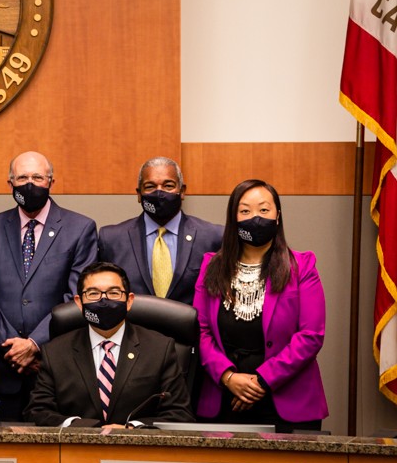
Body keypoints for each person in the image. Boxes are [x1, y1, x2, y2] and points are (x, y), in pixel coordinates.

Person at [0, 151, 98, 421]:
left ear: (51, 181)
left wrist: (35, 343)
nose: (30, 184)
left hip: (55, 363)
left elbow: (76, 296)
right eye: (22, 177)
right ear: (10, 184)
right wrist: (15, 349)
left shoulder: (80, 228)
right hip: (2, 366)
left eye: (37, 177)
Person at [193, 179, 328, 432]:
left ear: (278, 217)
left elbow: (311, 336)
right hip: (223, 400)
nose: (255, 218)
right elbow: (200, 331)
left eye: (264, 210)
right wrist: (229, 377)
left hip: (288, 402)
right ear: (233, 220)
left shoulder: (303, 266)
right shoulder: (211, 266)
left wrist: (262, 380)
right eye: (245, 211)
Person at [25, 261, 193, 427]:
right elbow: (37, 411)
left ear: (129, 301)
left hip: (138, 451)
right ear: (78, 302)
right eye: (93, 294)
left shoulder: (159, 348)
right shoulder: (55, 352)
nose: (103, 300)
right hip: (76, 451)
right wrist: (81, 427)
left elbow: (179, 414)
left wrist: (132, 429)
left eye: (113, 293)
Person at [99, 157, 222, 304]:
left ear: (182, 191)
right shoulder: (112, 239)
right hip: (134, 325)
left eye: (168, 186)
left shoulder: (212, 237)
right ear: (139, 194)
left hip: (188, 326)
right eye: (150, 186)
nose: (160, 193)